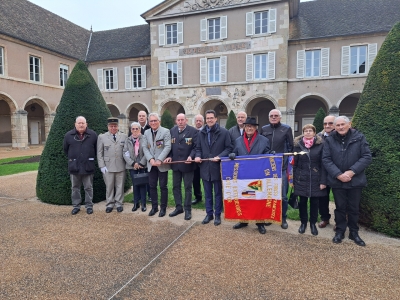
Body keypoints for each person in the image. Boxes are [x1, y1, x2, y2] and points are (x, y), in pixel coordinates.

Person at [322, 116, 372, 246]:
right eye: (337, 125)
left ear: (349, 124)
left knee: (354, 208)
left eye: (343, 124)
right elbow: (326, 159)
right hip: (337, 181)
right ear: (334, 127)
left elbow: (366, 156)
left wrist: (351, 172)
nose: (340, 127)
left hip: (355, 180)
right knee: (340, 208)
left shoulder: (359, 137)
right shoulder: (330, 139)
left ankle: (354, 232)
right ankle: (340, 231)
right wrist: (338, 174)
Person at [231, 116, 271, 234]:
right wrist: (232, 154)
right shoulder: (238, 140)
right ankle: (244, 220)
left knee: (258, 199)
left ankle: (260, 223)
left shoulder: (264, 140)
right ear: (244, 127)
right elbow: (235, 151)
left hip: (257, 175)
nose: (249, 128)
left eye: (252, 126)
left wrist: (271, 154)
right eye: (247, 126)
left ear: (255, 128)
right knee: (244, 198)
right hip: (243, 176)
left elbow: (267, 154)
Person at [195, 110, 232, 226]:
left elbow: (229, 148)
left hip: (217, 167)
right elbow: (198, 148)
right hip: (205, 167)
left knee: (217, 193)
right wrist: (197, 156)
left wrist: (220, 157)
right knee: (207, 193)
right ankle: (209, 214)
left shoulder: (224, 132)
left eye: (212, 118)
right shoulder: (201, 133)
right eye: (208, 118)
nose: (209, 120)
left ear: (216, 119)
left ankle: (217, 215)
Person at [261, 109, 293, 229]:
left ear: (280, 117)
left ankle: (283, 217)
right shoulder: (264, 129)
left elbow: (291, 147)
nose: (274, 117)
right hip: (267, 168)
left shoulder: (286, 128)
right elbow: (260, 145)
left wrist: (286, 160)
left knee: (283, 196)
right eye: (271, 116)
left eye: (276, 116)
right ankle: (270, 216)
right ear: (269, 117)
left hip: (281, 168)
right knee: (268, 194)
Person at [293, 124, 327, 236]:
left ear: (314, 133)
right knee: (302, 202)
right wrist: (293, 181)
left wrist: (323, 181)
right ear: (303, 132)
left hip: (315, 177)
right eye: (306, 131)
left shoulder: (320, 145)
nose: (308, 132)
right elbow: (295, 164)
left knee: (314, 202)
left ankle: (312, 223)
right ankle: (303, 223)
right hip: (301, 177)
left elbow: (323, 164)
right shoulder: (298, 145)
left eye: (310, 131)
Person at [164, 113, 198, 220]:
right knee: (175, 187)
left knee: (188, 188)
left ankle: (187, 209)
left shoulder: (193, 131)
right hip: (176, 165)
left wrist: (191, 156)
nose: (180, 122)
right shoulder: (172, 131)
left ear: (186, 120)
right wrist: (169, 156)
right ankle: (179, 207)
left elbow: (196, 147)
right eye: (178, 120)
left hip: (188, 165)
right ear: (176, 121)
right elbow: (169, 147)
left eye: (182, 120)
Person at [63, 116, 98, 215]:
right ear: (75, 124)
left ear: (86, 124)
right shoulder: (68, 135)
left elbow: (96, 150)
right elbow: (66, 150)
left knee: (88, 187)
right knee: (75, 188)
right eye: (79, 123)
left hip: (88, 165)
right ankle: (76, 206)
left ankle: (89, 206)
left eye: (83, 123)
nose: (81, 125)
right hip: (74, 166)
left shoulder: (93, 135)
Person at [142, 113, 171, 217]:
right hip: (151, 164)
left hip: (161, 164)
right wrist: (150, 159)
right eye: (151, 121)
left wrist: (159, 159)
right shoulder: (146, 132)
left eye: (155, 120)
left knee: (163, 186)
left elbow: (167, 146)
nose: (153, 123)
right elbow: (144, 147)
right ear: (149, 123)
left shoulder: (165, 131)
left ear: (159, 121)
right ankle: (154, 207)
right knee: (152, 186)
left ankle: (163, 208)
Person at [97, 117, 127, 213]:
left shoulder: (123, 136)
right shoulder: (102, 137)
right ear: (108, 127)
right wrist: (102, 166)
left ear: (118, 127)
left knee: (119, 186)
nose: (113, 128)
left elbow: (126, 151)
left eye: (115, 126)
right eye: (111, 126)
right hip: (108, 166)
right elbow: (99, 153)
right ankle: (110, 203)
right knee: (109, 186)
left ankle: (119, 203)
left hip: (120, 165)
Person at [123, 122, 147, 212]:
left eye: (137, 129)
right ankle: (136, 203)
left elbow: (147, 151)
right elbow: (125, 153)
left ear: (140, 130)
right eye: (133, 129)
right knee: (135, 185)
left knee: (142, 184)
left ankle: (143, 204)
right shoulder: (128, 140)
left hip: (142, 166)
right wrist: (133, 163)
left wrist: (141, 163)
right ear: (131, 130)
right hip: (132, 166)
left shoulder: (144, 138)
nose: (135, 130)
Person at [317, 115, 336, 228]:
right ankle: (325, 218)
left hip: (337, 172)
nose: (327, 126)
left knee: (339, 199)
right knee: (322, 197)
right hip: (322, 172)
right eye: (325, 123)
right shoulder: (318, 137)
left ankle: (339, 220)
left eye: (330, 123)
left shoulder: (340, 136)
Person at [138, 110, 151, 202]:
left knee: (149, 177)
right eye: (140, 116)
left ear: (146, 117)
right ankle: (139, 195)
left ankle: (150, 195)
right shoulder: (134, 127)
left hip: (148, 156)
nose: (141, 117)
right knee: (139, 177)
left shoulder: (149, 127)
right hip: (138, 157)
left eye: (143, 116)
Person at [192, 114, 204, 205]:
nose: (198, 122)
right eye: (197, 120)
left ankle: (208, 197)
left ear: (203, 122)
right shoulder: (192, 131)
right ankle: (198, 196)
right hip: (194, 161)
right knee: (195, 180)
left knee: (206, 180)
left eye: (200, 121)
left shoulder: (206, 131)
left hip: (204, 160)